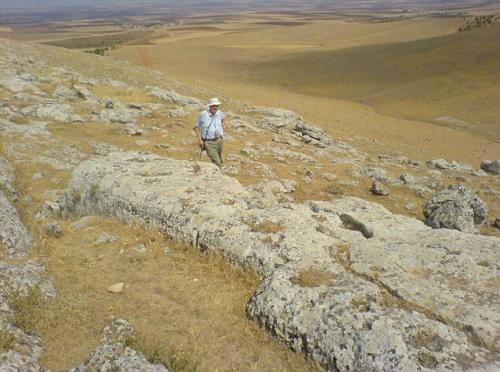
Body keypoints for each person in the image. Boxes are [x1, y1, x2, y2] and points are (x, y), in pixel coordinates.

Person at [194, 97, 225, 169]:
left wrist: (223, 125)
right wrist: (200, 140)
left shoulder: (220, 113)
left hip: (219, 140)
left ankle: (217, 172)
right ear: (210, 106)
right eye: (213, 105)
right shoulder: (203, 114)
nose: (215, 107)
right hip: (209, 143)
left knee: (220, 159)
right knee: (217, 162)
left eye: (217, 105)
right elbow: (196, 127)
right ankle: (219, 177)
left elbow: (223, 118)